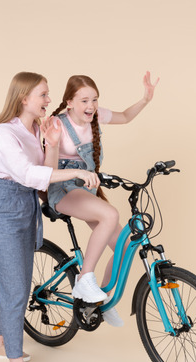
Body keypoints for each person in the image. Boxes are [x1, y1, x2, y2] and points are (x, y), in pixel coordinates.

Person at [0, 71, 99, 362]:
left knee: (16, 278)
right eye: (44, 95)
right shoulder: (5, 132)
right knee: (16, 287)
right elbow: (26, 174)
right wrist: (76, 170)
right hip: (6, 208)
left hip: (27, 207)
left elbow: (47, 172)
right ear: (24, 99)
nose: (50, 100)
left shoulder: (38, 129)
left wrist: (50, 143)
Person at [46, 72, 159, 327]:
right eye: (84, 100)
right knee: (110, 214)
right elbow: (49, 172)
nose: (91, 106)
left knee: (125, 245)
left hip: (84, 191)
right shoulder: (57, 125)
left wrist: (145, 99)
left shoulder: (95, 117)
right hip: (61, 190)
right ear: (69, 102)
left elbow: (126, 117)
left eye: (94, 100)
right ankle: (85, 279)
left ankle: (100, 301)